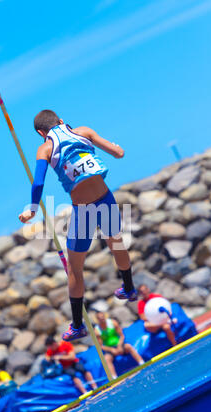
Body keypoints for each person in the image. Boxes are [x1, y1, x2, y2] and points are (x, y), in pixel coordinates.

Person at [19, 110, 137, 342]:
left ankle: (78, 325)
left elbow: (39, 182)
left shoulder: (45, 147)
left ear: (41, 133)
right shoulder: (83, 131)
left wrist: (32, 209)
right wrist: (116, 148)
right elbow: (118, 153)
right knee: (116, 244)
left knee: (74, 268)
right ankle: (130, 288)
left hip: (83, 209)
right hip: (105, 198)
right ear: (61, 121)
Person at [94, 312, 144, 379]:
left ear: (105, 316)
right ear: (97, 320)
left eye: (102, 317)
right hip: (110, 349)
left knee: (129, 347)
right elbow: (101, 346)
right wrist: (112, 350)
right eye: (100, 318)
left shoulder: (113, 323)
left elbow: (121, 336)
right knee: (107, 359)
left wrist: (119, 346)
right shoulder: (97, 330)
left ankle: (142, 363)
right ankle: (114, 377)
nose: (102, 319)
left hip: (119, 344)